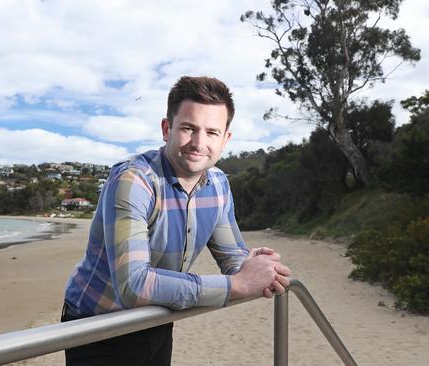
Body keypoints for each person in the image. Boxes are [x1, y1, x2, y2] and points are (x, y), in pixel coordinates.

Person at [62, 76, 291, 365]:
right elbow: (133, 286)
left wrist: (254, 265)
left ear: (225, 139)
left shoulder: (219, 183)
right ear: (166, 129)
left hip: (157, 315)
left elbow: (232, 258)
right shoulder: (134, 180)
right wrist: (238, 285)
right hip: (98, 327)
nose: (198, 143)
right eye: (188, 128)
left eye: (211, 132)